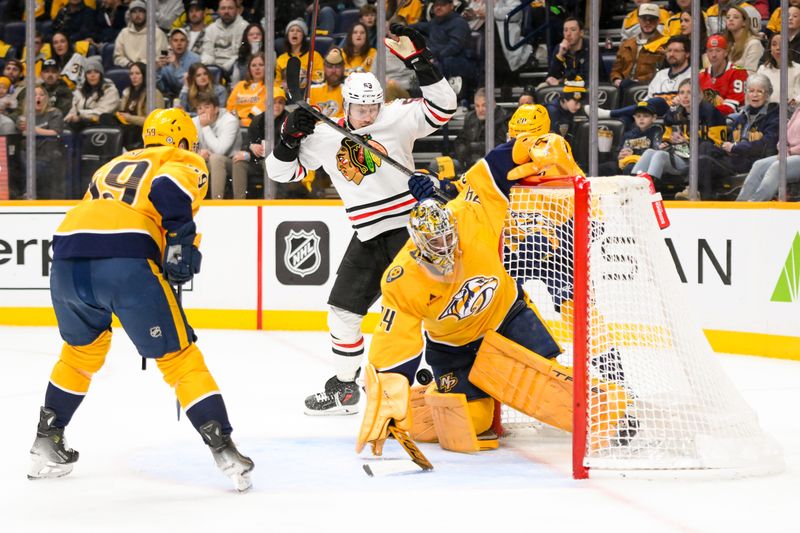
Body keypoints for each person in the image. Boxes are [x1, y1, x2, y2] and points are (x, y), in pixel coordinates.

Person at [356, 136, 632, 455]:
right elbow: (395, 342)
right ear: (417, 245)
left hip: (505, 316)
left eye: (449, 237)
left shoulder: (468, 216)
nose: (446, 248)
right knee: (469, 423)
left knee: (543, 380)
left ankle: (610, 415)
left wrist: (526, 146)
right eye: (436, 244)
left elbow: (491, 170)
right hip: (453, 348)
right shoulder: (402, 278)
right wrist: (389, 395)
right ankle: (425, 401)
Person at [28, 108, 254, 491]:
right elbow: (167, 189)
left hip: (67, 257)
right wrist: (182, 242)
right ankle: (224, 448)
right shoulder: (179, 158)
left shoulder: (113, 164)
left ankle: (46, 440)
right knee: (179, 358)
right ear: (182, 140)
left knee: (79, 355)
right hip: (124, 259)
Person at [265, 24, 456, 415]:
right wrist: (287, 138)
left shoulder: (398, 117)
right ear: (346, 105)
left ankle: (444, 379)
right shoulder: (324, 135)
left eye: (373, 107)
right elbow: (281, 174)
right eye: (361, 109)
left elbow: (445, 106)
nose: (368, 115)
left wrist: (420, 62)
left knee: (424, 309)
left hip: (409, 230)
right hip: (368, 235)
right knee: (343, 310)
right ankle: (345, 389)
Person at [692, 73, 779, 200]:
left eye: (760, 91)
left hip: (753, 161)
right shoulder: (742, 116)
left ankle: (701, 197)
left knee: (705, 160)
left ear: (768, 94)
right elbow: (730, 141)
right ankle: (698, 192)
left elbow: (767, 145)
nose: (755, 95)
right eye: (751, 91)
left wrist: (736, 147)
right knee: (705, 147)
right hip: (735, 158)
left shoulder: (774, 116)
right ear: (746, 93)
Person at [633, 79, 727, 185]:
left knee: (660, 156)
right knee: (649, 152)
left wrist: (688, 142)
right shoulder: (674, 113)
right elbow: (667, 138)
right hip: (680, 153)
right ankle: (631, 186)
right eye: (682, 92)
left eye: (689, 92)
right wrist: (667, 143)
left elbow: (718, 146)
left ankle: (648, 191)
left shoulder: (711, 112)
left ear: (699, 94)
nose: (685, 96)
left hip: (699, 161)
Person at [232, 87, 289, 199]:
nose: (277, 106)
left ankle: (270, 200)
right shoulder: (258, 119)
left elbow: (288, 145)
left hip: (278, 161)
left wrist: (270, 150)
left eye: (280, 102)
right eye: (273, 102)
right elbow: (247, 142)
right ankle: (239, 202)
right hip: (257, 160)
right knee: (239, 162)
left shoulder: (288, 120)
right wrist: (251, 147)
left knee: (269, 163)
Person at [737, 106, 800, 201]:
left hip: (794, 154)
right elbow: (784, 133)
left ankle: (755, 204)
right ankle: (740, 205)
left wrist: (789, 151)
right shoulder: (798, 110)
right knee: (759, 165)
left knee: (778, 167)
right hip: (788, 153)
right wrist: (782, 149)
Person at [14, 85, 66, 199]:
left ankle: (28, 193)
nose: (38, 97)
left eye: (41, 95)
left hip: (49, 154)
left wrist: (33, 129)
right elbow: (22, 134)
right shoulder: (23, 117)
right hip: (28, 154)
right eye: (34, 95)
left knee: (35, 166)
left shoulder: (54, 113)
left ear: (46, 98)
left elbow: (56, 132)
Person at [101, 62, 165, 150]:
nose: (134, 77)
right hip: (126, 126)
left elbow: (154, 122)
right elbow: (122, 111)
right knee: (104, 117)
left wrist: (130, 118)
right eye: (131, 74)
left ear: (144, 75)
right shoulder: (127, 91)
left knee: (129, 129)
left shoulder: (154, 94)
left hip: (141, 129)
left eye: (137, 73)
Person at [194, 93, 242, 198]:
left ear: (216, 109)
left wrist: (205, 127)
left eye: (207, 107)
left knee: (216, 158)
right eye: (199, 108)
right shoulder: (194, 122)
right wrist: (198, 154)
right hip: (204, 162)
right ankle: (191, 202)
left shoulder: (229, 121)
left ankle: (217, 202)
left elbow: (220, 150)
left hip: (231, 162)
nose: (202, 111)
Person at [609, 4, 665, 93]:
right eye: (644, 19)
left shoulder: (664, 43)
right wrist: (616, 79)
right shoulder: (626, 44)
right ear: (638, 20)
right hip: (623, 88)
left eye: (652, 19)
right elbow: (616, 70)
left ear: (658, 21)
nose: (648, 22)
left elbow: (663, 73)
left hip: (648, 89)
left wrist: (637, 82)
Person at [598, 101, 662, 176]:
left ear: (654, 118)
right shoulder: (628, 135)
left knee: (630, 168)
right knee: (602, 168)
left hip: (643, 164)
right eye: (638, 116)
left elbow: (655, 152)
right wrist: (619, 155)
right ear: (634, 118)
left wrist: (633, 154)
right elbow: (617, 151)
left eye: (646, 116)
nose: (641, 119)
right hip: (624, 162)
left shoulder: (657, 131)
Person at [452, 87, 508, 167]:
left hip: (493, 164)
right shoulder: (470, 117)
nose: (480, 109)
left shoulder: (504, 117)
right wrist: (464, 154)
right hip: (470, 162)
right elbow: (459, 141)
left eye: (484, 105)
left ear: (493, 104)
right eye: (477, 106)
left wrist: (475, 147)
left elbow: (502, 145)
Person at [544, 17, 608, 87]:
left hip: (592, 91)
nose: (568, 34)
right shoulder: (560, 48)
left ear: (581, 33)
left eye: (573, 30)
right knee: (541, 87)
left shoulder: (591, 48)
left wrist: (561, 82)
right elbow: (551, 77)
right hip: (565, 89)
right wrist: (560, 55)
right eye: (565, 30)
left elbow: (588, 79)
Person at [63, 56, 120, 131]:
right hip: (81, 124)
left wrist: (80, 114)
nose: (92, 75)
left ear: (101, 75)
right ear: (85, 76)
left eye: (96, 72)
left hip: (102, 125)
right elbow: (73, 110)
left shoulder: (110, 90)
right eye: (89, 72)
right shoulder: (79, 90)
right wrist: (69, 118)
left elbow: (102, 111)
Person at [699, 34, 749, 116]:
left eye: (718, 51)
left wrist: (705, 113)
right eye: (710, 51)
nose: (714, 55)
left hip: (731, 121)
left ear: (725, 53)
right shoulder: (701, 75)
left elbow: (733, 106)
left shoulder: (738, 72)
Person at [200, 0, 249, 79]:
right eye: (223, 8)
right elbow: (207, 52)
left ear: (237, 10)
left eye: (230, 8)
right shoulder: (211, 29)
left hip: (234, 65)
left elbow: (242, 53)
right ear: (218, 11)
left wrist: (224, 68)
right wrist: (213, 67)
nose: (226, 11)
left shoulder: (245, 27)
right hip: (214, 66)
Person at [113, 0, 169, 68]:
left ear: (146, 14)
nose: (137, 15)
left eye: (141, 11)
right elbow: (117, 57)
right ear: (130, 16)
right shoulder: (124, 33)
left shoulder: (157, 33)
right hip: (129, 71)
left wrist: (142, 65)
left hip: (152, 72)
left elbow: (162, 58)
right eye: (134, 12)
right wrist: (130, 64)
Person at [274, 19, 324, 91]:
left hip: (308, 94)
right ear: (287, 35)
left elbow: (319, 79)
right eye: (291, 30)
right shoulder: (281, 59)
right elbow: (277, 84)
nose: (295, 33)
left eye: (298, 31)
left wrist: (304, 81)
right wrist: (282, 86)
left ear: (303, 36)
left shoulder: (314, 56)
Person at [157, 28, 201, 101]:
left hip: (190, 96)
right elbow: (161, 87)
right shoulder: (166, 59)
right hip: (170, 96)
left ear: (187, 43)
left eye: (182, 40)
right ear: (170, 43)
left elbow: (188, 85)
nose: (179, 44)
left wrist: (176, 65)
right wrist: (157, 70)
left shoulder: (195, 59)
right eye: (175, 40)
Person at [757, 33, 800, 106]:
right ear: (770, 49)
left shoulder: (798, 69)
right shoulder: (762, 69)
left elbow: (798, 95)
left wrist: (795, 101)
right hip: (766, 111)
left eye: (782, 44)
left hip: (791, 112)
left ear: (788, 48)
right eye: (774, 44)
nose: (778, 48)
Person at [226, 52, 266, 127]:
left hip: (255, 125)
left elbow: (260, 110)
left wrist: (244, 122)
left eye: (261, 65)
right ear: (249, 69)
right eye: (253, 65)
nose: (257, 68)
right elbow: (230, 106)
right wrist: (233, 120)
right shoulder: (240, 85)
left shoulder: (270, 87)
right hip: (235, 123)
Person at [722, 5, 764, 73]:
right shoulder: (727, 43)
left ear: (744, 22)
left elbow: (750, 73)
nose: (730, 19)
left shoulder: (754, 44)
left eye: (736, 17)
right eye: (728, 17)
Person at [309, 47, 345, 118]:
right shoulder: (312, 90)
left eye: (337, 66)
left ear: (343, 68)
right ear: (324, 68)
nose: (333, 71)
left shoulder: (348, 91)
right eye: (330, 66)